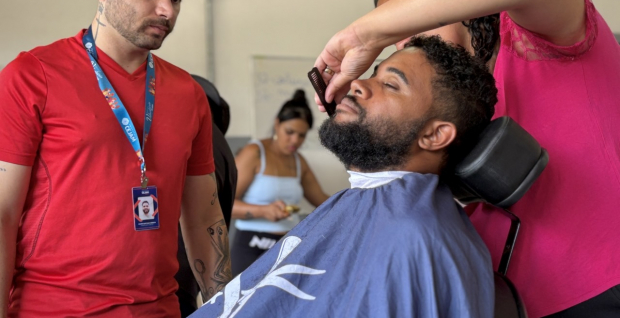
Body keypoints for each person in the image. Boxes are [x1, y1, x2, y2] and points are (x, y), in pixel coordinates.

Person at [314, 0, 620, 317]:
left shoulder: (543, 37)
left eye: (413, 24)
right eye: (395, 42)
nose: (407, 47)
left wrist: (363, 34)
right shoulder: (437, 104)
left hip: (603, 289)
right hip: (499, 301)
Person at [190, 36, 496, 318]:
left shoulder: (415, 239)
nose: (358, 84)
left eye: (390, 84)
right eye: (373, 74)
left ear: (435, 134)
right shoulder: (366, 203)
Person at [0, 0, 231, 316]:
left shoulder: (188, 95)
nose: (167, 10)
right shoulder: (32, 77)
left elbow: (204, 217)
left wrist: (228, 308)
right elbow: (3, 214)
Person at [230, 90, 329, 277]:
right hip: (251, 246)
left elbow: (322, 201)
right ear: (277, 123)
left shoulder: (299, 161)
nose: (295, 141)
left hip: (287, 247)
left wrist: (358, 200)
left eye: (301, 135)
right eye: (289, 132)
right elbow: (223, 204)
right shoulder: (254, 153)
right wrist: (262, 211)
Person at [175, 76, 238, 318]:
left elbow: (203, 220)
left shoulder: (197, 140)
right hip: (186, 291)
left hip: (168, 291)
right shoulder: (223, 149)